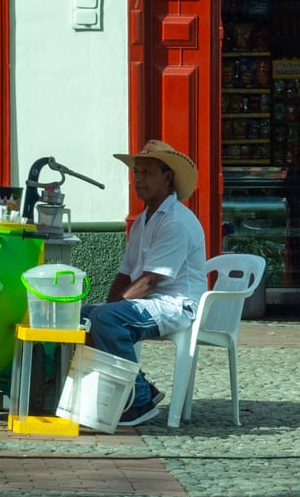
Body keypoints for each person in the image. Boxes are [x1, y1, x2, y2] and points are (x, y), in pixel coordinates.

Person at [81, 140, 207, 428]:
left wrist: (108, 313)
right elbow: (125, 275)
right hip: (149, 303)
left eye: (147, 172)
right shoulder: (143, 220)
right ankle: (107, 394)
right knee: (83, 317)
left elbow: (151, 280)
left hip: (176, 305)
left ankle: (139, 400)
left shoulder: (175, 221)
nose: (138, 179)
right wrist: (103, 309)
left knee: (104, 319)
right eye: (137, 172)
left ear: (167, 177)